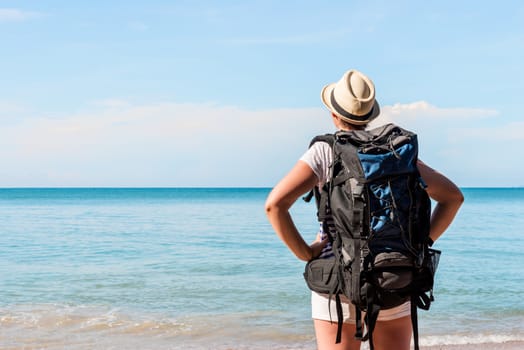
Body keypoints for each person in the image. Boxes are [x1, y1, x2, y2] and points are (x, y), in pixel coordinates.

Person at [265, 69, 464, 350]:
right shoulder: (396, 152)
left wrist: (306, 253)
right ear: (371, 115)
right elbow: (453, 198)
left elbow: (275, 205)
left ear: (334, 114)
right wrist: (421, 243)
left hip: (338, 283)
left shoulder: (325, 151)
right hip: (393, 276)